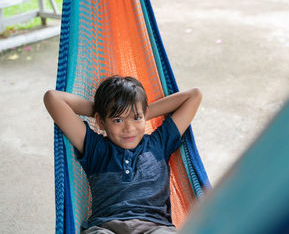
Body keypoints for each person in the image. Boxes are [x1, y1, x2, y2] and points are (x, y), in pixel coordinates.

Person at [43, 75, 202, 234]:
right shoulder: (96, 148)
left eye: (136, 118)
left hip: (156, 226)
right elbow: (53, 98)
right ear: (101, 121)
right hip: (106, 226)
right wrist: (103, 112)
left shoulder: (159, 143)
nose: (129, 128)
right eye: (118, 120)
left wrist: (139, 111)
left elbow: (194, 96)